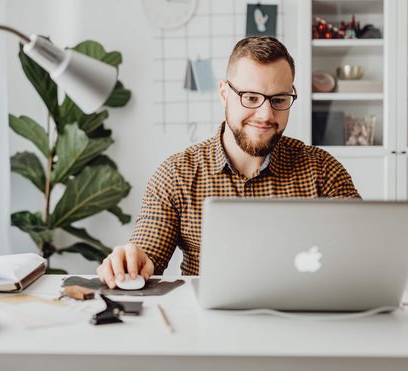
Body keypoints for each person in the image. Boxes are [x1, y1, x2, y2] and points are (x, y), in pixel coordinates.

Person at [97, 36, 361, 288]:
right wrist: (131, 261)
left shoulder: (322, 170)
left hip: (303, 320)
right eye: (251, 97)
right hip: (208, 326)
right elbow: (147, 253)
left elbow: (364, 251)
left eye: (279, 100)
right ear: (224, 92)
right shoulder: (177, 173)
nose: (265, 115)